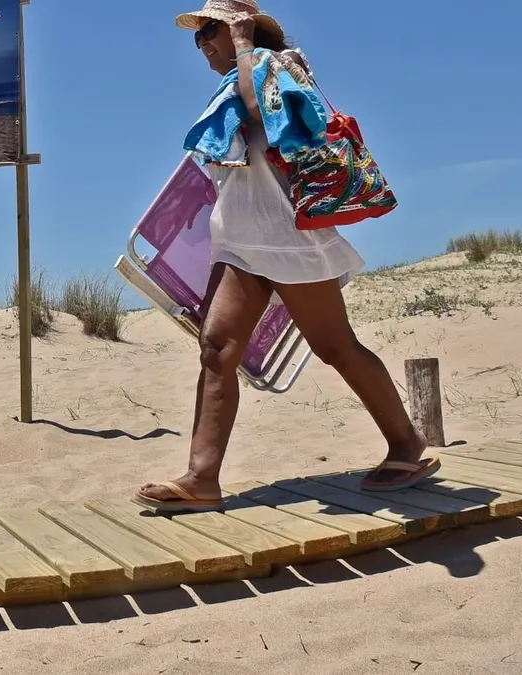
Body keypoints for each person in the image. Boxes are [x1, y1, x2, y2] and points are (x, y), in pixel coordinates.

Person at [134, 0, 437, 513]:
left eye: (212, 30)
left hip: (287, 237)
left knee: (336, 347)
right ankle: (201, 478)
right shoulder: (232, 83)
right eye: (198, 36)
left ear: (241, 28)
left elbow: (263, 115)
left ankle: (406, 443)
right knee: (216, 350)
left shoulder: (279, 69)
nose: (203, 42)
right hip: (240, 240)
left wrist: (248, 41)